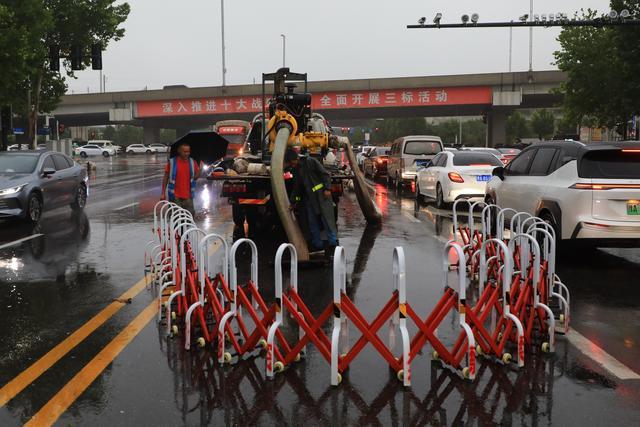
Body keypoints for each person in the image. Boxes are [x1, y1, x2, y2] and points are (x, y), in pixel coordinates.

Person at [286, 148, 338, 254]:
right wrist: (293, 202)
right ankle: (317, 245)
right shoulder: (296, 170)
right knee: (312, 223)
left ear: (296, 158)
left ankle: (333, 245)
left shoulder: (310, 162)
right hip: (309, 199)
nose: (292, 165)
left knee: (327, 220)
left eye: (292, 163)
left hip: (321, 197)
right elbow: (297, 189)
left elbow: (325, 174)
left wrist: (327, 189)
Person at [161, 142, 200, 216]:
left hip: (188, 197)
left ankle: (185, 227)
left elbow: (195, 178)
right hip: (175, 196)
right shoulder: (172, 162)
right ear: (179, 151)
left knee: (189, 218)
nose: (187, 154)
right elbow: (166, 177)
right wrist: (163, 193)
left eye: (188, 151)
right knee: (176, 218)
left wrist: (200, 170)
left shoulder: (192, 162)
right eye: (185, 152)